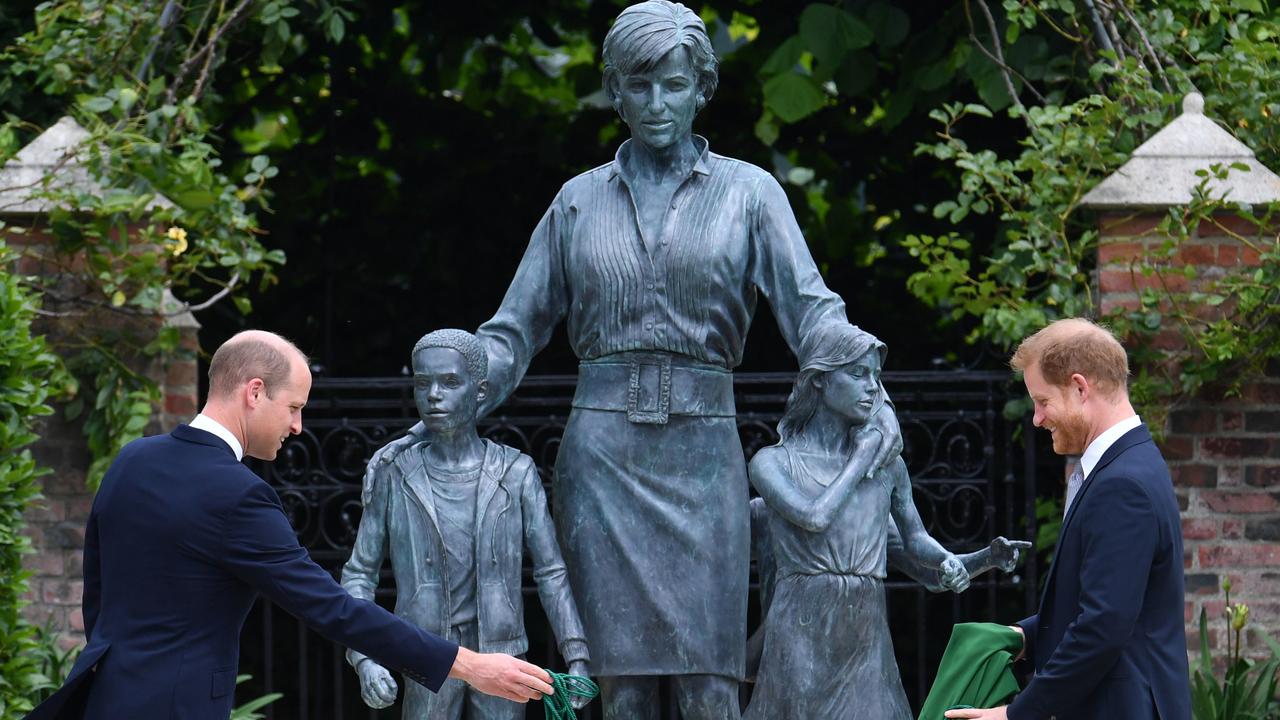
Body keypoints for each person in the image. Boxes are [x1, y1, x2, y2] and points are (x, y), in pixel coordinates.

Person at [370, 3, 903, 717]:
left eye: (674, 85)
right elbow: (512, 333)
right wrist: (457, 391)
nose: (657, 104)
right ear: (615, 91)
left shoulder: (751, 194)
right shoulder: (577, 203)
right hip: (604, 462)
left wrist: (870, 389)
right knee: (618, 687)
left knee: (712, 682)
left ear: (701, 88)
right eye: (639, 86)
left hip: (704, 452)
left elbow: (814, 314)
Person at [25, 330, 554, 720]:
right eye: (294, 407)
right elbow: (333, 608)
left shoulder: (131, 462)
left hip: (103, 698)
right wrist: (469, 666)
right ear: (254, 392)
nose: (298, 426)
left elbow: (98, 591)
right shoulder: (237, 496)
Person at [945, 318, 1191, 720]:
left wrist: (1015, 714)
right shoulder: (1130, 464)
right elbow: (1107, 604)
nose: (1037, 419)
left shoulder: (1122, 483)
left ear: (1080, 388)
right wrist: (1025, 635)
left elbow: (1103, 628)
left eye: (1042, 402)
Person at [341, 330, 591, 717]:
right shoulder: (394, 475)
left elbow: (551, 572)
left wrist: (577, 656)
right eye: (422, 384)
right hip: (424, 654)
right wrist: (364, 658)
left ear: (480, 391)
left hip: (503, 654)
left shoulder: (516, 472)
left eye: (450, 382)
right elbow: (359, 574)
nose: (434, 395)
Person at [743, 324, 969, 719]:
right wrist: (861, 459)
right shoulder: (773, 462)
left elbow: (914, 539)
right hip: (802, 621)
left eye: (877, 378)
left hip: (864, 624)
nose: (872, 389)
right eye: (858, 374)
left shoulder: (889, 467)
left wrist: (952, 559)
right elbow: (815, 517)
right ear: (819, 382)